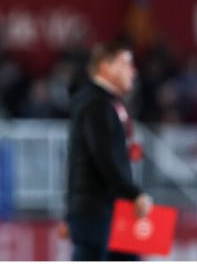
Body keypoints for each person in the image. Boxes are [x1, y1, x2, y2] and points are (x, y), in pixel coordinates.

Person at [64, 41, 153, 261]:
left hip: (110, 209)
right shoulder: (97, 104)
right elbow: (104, 156)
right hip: (97, 211)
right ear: (106, 67)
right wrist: (134, 193)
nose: (133, 71)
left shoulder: (103, 102)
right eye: (126, 64)